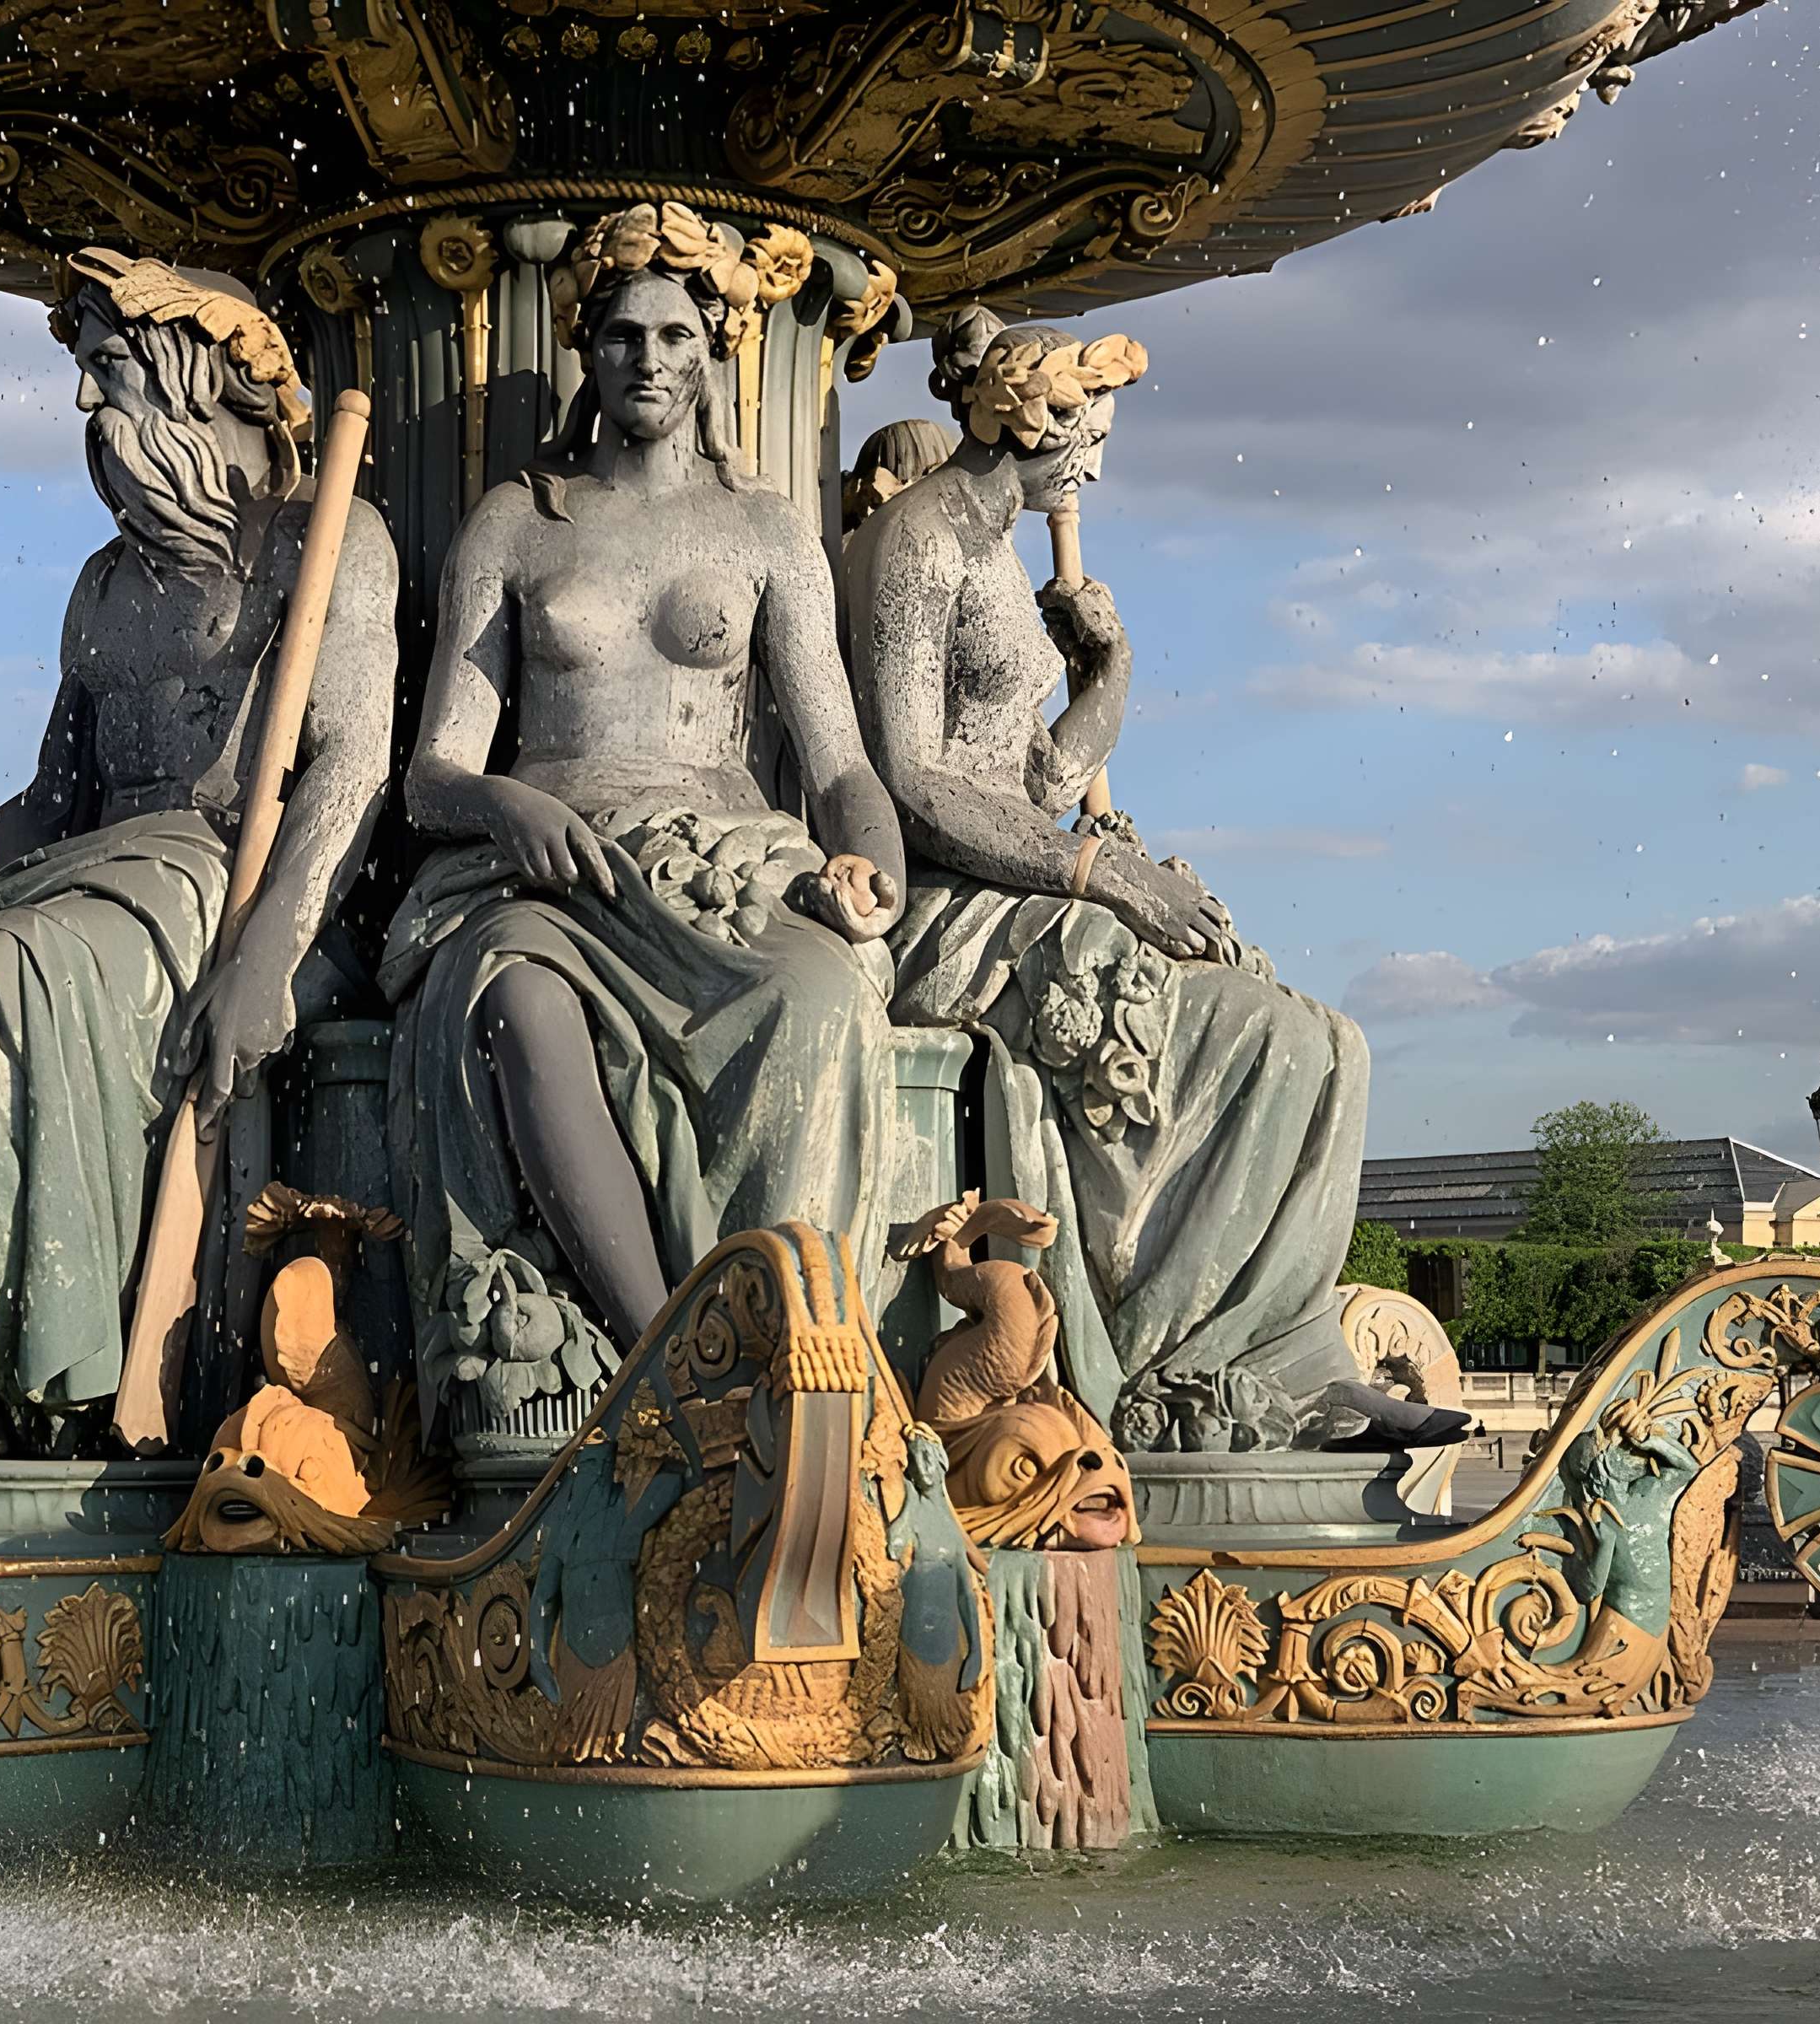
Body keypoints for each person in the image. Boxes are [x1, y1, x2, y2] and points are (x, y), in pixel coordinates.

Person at [0, 252, 399, 1465]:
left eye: (106, 368)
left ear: (193, 377)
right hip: (91, 880)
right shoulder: (105, 585)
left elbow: (351, 767)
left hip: (222, 884)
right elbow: (51, 800)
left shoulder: (324, 541)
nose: (83, 401)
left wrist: (269, 957)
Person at [385, 202, 905, 1432]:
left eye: (677, 335)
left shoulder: (766, 531)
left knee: (819, 999)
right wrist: (504, 803)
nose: (650, 360)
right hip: (548, 872)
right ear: (587, 350)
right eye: (623, 336)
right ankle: (672, 1362)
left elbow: (840, 765)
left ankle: (789, 1350)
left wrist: (873, 871)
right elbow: (431, 775)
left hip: (725, 862)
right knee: (518, 1002)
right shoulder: (518, 524)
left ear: (714, 351)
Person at [845, 318, 1371, 1453]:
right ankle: (1177, 1364)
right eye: (1087, 440)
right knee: (1267, 1043)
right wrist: (1105, 873)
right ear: (1026, 423)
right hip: (946, 908)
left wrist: (1112, 670)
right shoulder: (917, 542)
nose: (1091, 469)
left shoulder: (993, 551)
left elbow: (1039, 778)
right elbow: (912, 780)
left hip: (1022, 877)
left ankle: (1285, 1353)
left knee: (1331, 1044)